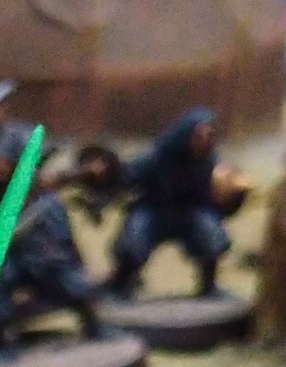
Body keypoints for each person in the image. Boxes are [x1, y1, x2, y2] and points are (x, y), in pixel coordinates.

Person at [0, 142, 101, 350]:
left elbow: (66, 240)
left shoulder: (48, 204)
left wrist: (77, 265)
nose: (0, 170)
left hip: (46, 260)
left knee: (77, 285)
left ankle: (94, 329)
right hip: (13, 260)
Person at [99, 109, 232, 298]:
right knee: (134, 237)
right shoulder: (156, 158)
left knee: (210, 233)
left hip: (189, 213)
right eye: (199, 136)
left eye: (209, 136)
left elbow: (215, 194)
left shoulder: (209, 164)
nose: (205, 141)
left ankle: (209, 285)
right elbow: (126, 177)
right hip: (154, 211)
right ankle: (121, 284)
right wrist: (107, 175)